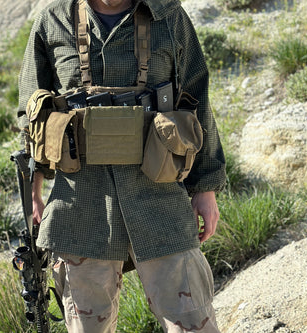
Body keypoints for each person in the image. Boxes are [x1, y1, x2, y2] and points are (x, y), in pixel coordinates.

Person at [17, 0, 226, 332]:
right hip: (79, 205)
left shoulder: (168, 15)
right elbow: (31, 113)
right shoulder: (52, 20)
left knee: (194, 324)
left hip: (160, 197)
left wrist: (206, 187)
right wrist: (33, 192)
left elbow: (196, 96)